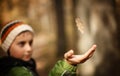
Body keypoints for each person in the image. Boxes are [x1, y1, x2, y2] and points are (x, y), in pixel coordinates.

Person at [0, 20, 97, 76]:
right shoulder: (15, 72)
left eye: (30, 43)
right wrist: (67, 64)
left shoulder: (25, 66)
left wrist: (69, 64)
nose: (29, 48)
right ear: (8, 47)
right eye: (21, 44)